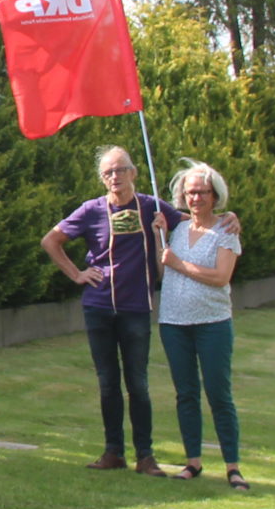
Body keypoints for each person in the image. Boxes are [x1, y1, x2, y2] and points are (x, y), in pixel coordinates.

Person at [45, 147, 193, 474]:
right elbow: (51, 241)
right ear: (102, 178)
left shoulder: (152, 207)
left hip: (136, 308)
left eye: (121, 170)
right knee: (108, 383)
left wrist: (226, 219)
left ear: (134, 172)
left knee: (137, 383)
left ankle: (146, 456)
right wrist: (77, 274)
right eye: (109, 172)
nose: (115, 177)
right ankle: (113, 452)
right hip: (98, 308)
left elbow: (195, 222)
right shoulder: (91, 210)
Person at [156, 162, 247, 490]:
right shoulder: (176, 230)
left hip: (212, 324)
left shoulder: (226, 230)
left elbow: (220, 277)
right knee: (186, 394)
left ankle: (233, 466)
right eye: (190, 192)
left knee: (219, 394)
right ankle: (192, 461)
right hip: (173, 323)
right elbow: (164, 272)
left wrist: (178, 263)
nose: (196, 198)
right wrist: (159, 241)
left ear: (215, 195)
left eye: (202, 192)